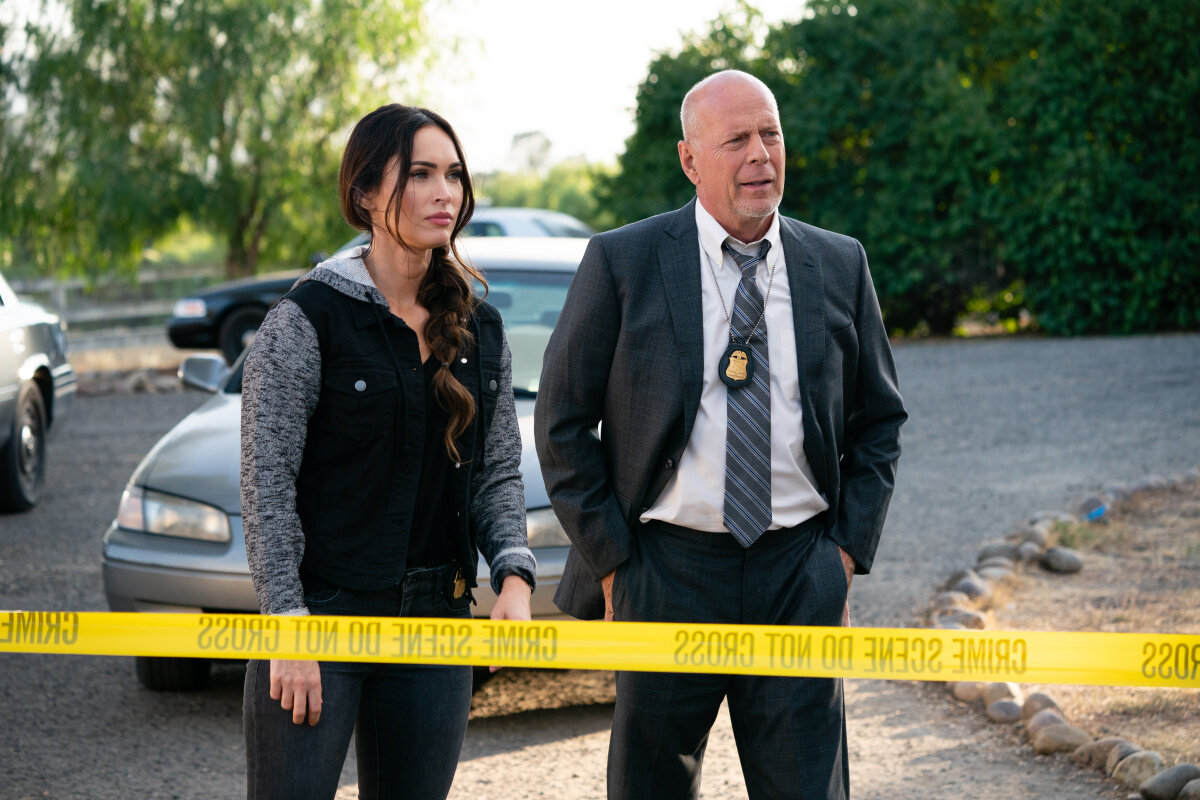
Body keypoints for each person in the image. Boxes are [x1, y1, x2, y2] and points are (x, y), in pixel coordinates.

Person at [534, 70, 907, 799]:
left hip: (799, 570)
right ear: (690, 160)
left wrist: (843, 556)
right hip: (665, 571)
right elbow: (562, 421)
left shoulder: (839, 262)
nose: (760, 154)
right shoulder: (624, 261)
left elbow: (879, 421)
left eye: (771, 134)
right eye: (736, 139)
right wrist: (614, 564)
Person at [240, 103, 535, 800]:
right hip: (320, 617)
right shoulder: (306, 320)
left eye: (454, 175)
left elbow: (496, 473)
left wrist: (515, 576)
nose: (445, 193)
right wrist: (287, 626)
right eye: (421, 174)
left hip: (439, 622)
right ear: (366, 193)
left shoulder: (481, 328)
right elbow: (266, 486)